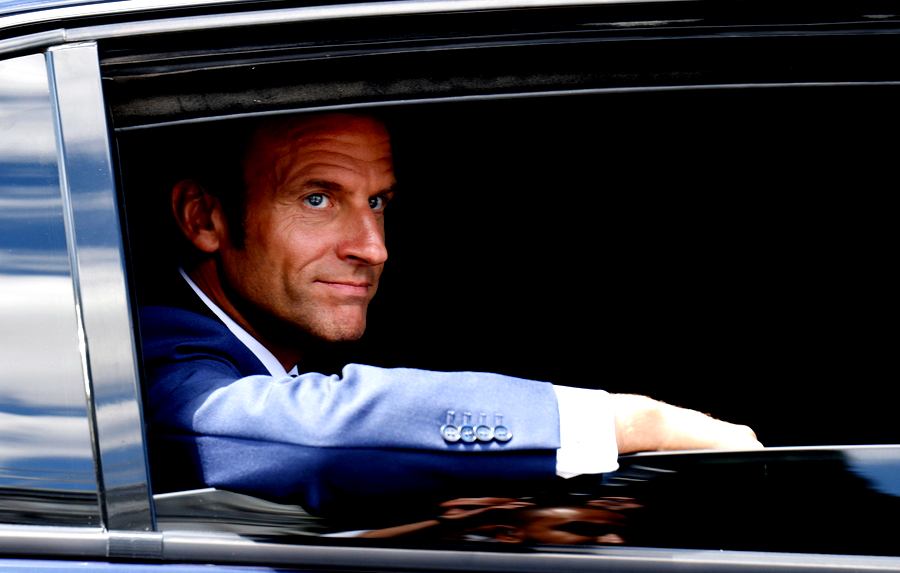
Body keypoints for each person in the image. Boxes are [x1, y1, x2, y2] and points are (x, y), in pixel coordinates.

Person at [141, 113, 761, 522]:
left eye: (377, 202)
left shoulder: (261, 349)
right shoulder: (145, 355)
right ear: (204, 218)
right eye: (317, 198)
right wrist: (639, 423)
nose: (373, 248)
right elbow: (310, 435)